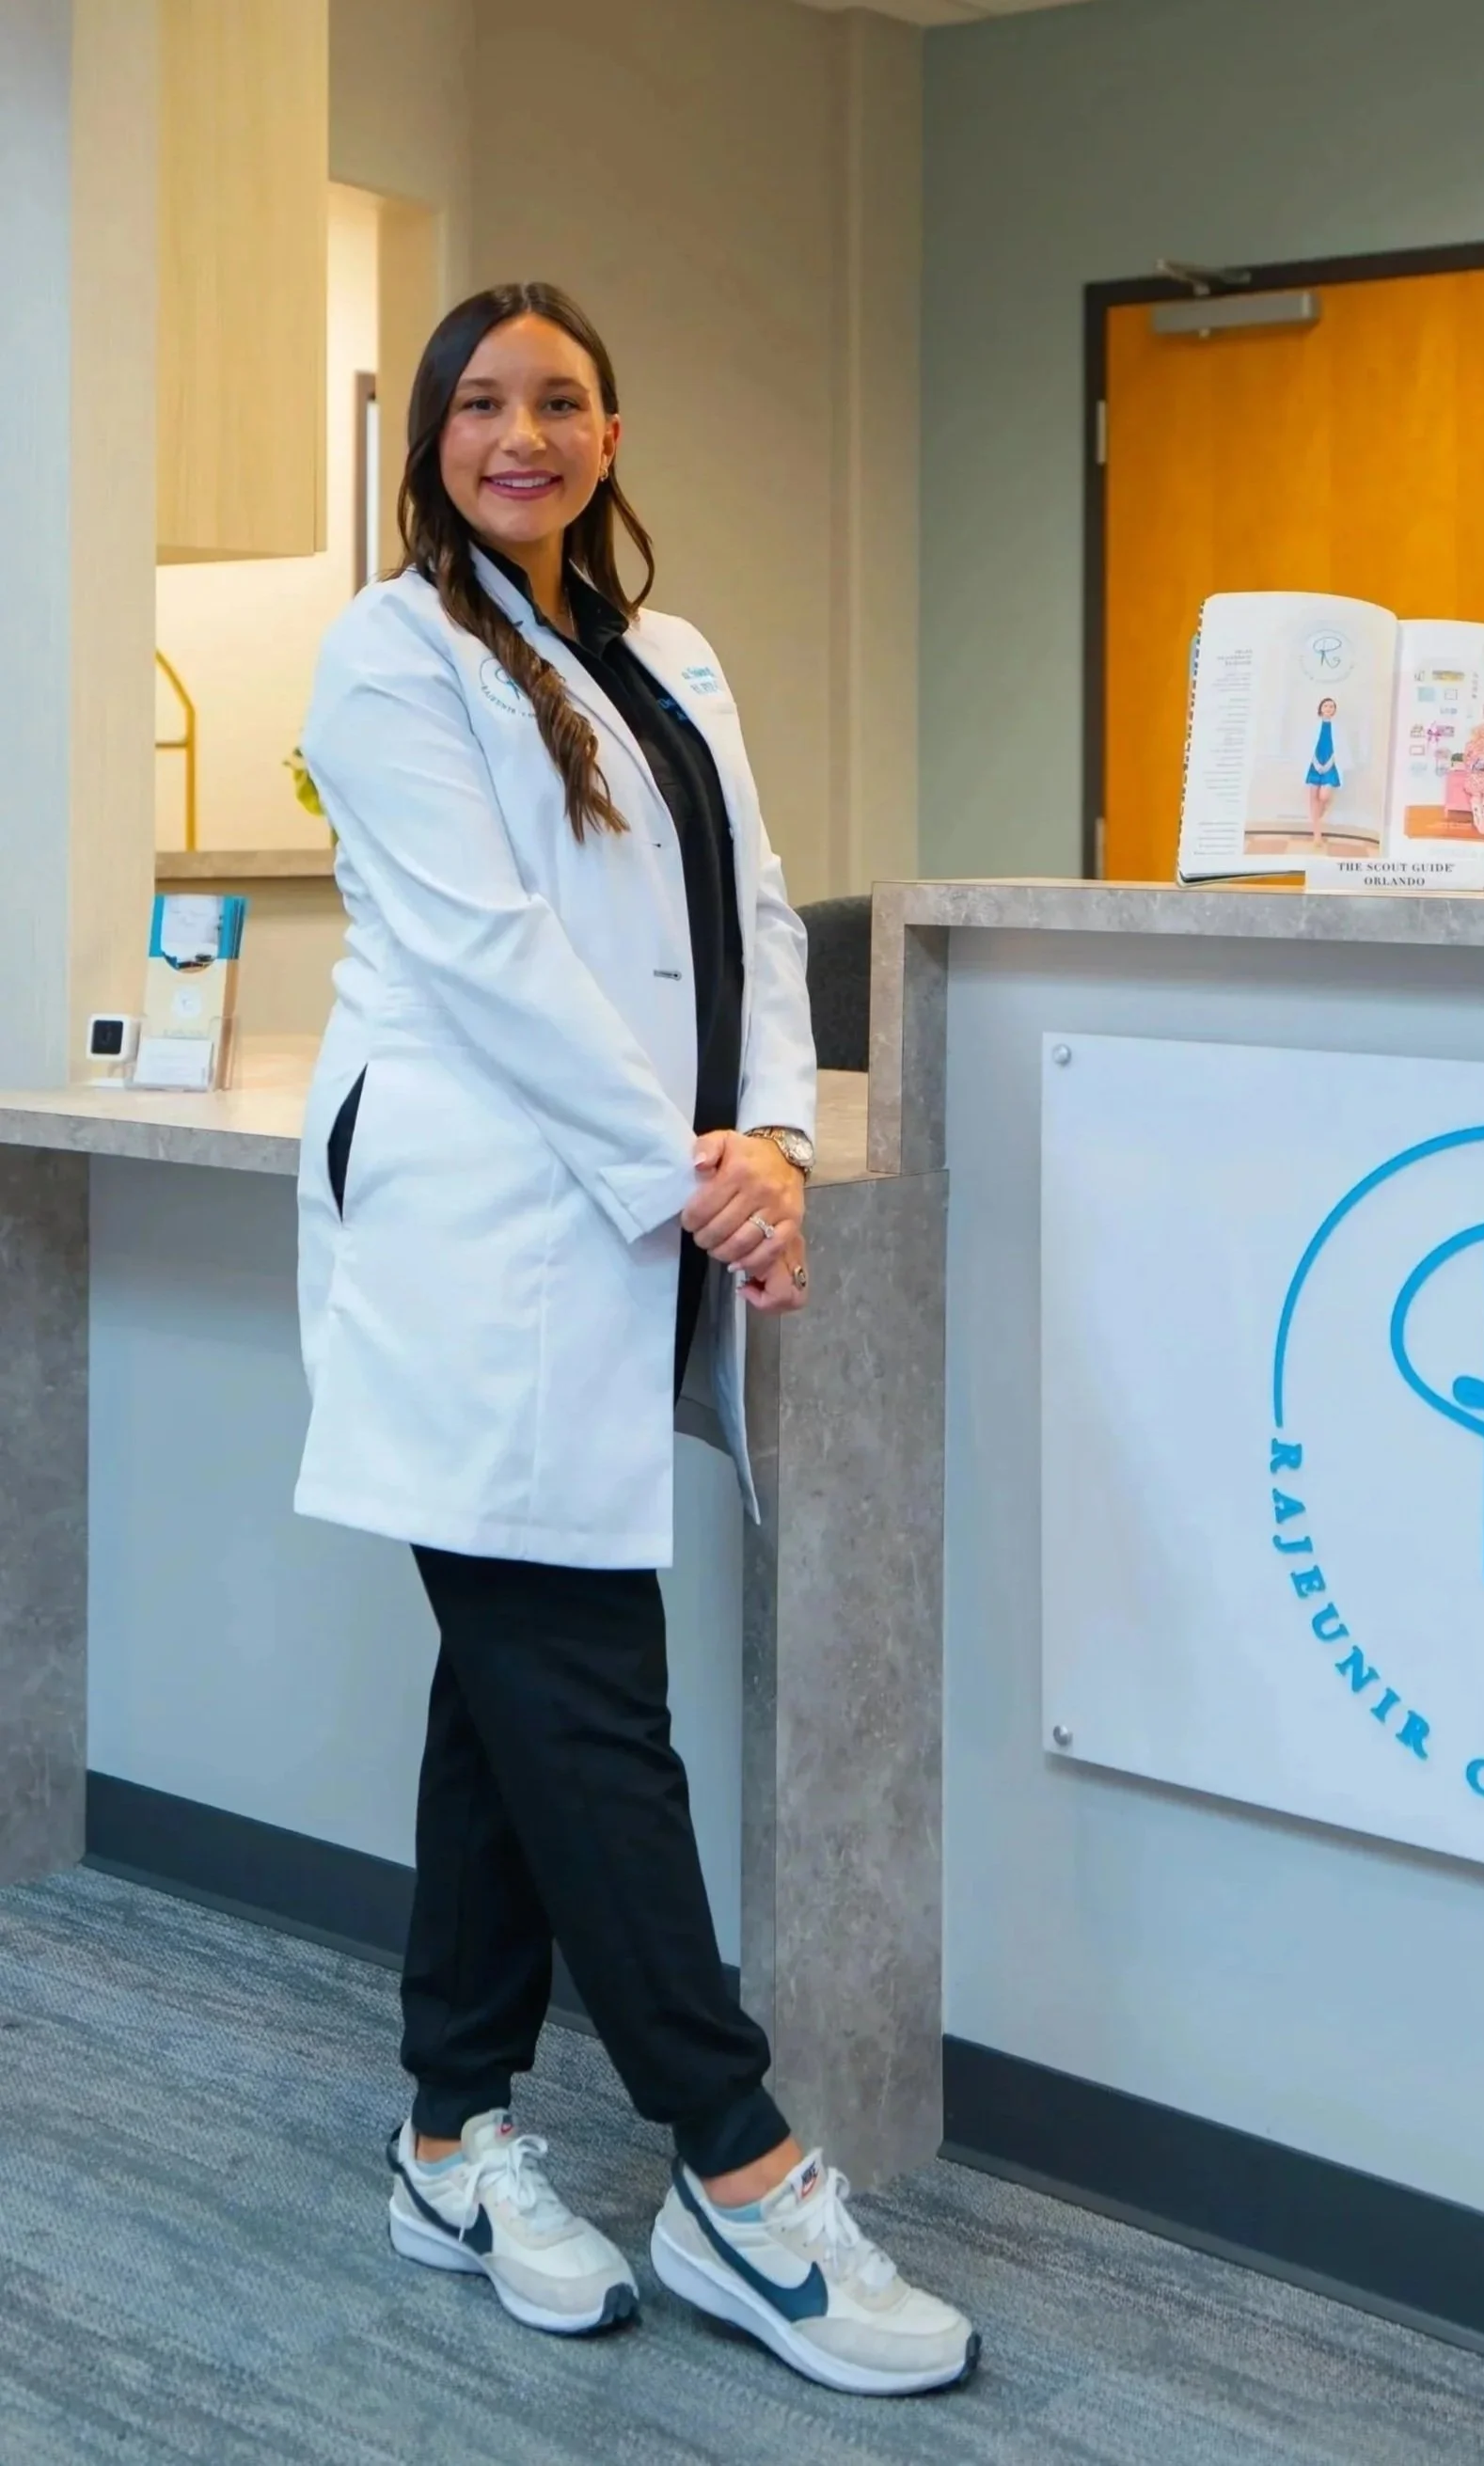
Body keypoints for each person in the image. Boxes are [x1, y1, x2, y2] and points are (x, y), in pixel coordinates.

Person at [292, 280, 976, 2399]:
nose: (525, 432)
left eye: (563, 399)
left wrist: (771, 1129)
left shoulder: (666, 652)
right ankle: (737, 2164)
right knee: (585, 1700)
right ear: (426, 437)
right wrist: (695, 1171)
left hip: (636, 1207)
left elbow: (754, 910)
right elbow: (491, 961)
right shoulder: (385, 654)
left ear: (610, 427)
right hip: (475, 1230)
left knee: (513, 1697)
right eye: (482, 402)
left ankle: (445, 2133)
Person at [1304, 696, 1340, 845]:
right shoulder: (1314, 725)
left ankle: (1320, 815)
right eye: (1326, 706)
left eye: (1331, 706)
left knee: (1324, 797)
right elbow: (1307, 745)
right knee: (1313, 799)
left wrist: (1328, 764)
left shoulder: (1338, 728)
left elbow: (1339, 748)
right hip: (1314, 765)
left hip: (1330, 767)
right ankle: (1317, 836)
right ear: (1321, 709)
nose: (1328, 708)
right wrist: (1316, 763)